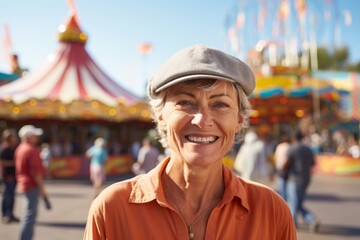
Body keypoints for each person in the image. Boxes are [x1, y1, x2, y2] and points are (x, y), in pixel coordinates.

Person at [84, 45, 296, 239]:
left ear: (239, 119)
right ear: (161, 116)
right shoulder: (111, 210)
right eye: (186, 102)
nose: (202, 121)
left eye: (220, 104)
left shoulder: (272, 212)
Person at [15, 125, 50, 240]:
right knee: (30, 216)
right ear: (29, 136)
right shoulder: (31, 150)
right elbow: (36, 172)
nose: (37, 137)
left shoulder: (20, 148)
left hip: (23, 184)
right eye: (34, 135)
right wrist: (43, 190)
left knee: (28, 215)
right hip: (30, 185)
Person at [285, 129, 320, 232]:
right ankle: (309, 219)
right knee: (297, 203)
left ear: (293, 137)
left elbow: (286, 163)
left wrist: (281, 170)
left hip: (294, 179)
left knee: (294, 203)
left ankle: (293, 223)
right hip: (305, 179)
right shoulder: (308, 149)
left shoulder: (292, 148)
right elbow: (312, 163)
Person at [0, 129, 20, 224]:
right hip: (7, 175)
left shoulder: (14, 148)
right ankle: (5, 215)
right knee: (7, 196)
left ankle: (10, 214)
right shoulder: (4, 148)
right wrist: (14, 163)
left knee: (11, 196)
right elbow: (2, 162)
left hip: (14, 175)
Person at [274, 134, 291, 200]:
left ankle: (282, 199)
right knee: (287, 186)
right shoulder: (290, 146)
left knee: (281, 186)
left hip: (279, 168)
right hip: (287, 168)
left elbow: (275, 157)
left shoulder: (279, 146)